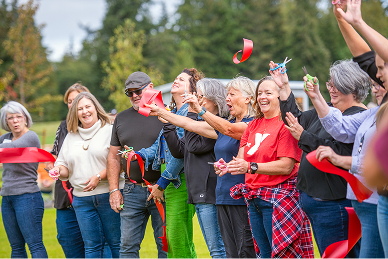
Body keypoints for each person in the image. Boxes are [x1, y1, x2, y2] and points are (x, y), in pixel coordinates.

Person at [308, 2, 388, 257]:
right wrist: (342, 19)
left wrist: (343, 160)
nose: (378, 75)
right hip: (368, 200)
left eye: (383, 68)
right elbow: (340, 128)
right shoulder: (375, 112)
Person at [147, 76, 256, 259]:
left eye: (232, 94)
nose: (227, 98)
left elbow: (225, 130)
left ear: (247, 98)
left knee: (242, 251)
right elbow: (189, 124)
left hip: (239, 197)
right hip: (222, 195)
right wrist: (162, 112)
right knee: (229, 253)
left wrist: (199, 109)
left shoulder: (245, 125)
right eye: (226, 94)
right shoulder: (221, 127)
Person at [271, 58, 368, 257]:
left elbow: (340, 152)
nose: (331, 89)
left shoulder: (358, 117)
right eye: (330, 84)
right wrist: (284, 87)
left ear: (353, 89)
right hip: (317, 203)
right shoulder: (327, 112)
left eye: (336, 86)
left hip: (335, 205)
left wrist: (304, 137)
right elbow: (294, 120)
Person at [218, 76, 313, 259]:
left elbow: (286, 166)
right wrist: (229, 167)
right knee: (264, 254)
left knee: (283, 255)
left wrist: (250, 167)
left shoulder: (286, 125)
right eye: (260, 93)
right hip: (254, 199)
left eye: (268, 93)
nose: (262, 97)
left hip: (278, 199)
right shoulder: (252, 125)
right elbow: (242, 160)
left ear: (280, 97)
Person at [129, 68, 203, 259]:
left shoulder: (189, 114)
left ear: (192, 90)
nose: (176, 80)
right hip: (170, 181)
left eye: (182, 79)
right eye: (176, 77)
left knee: (178, 237)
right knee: (173, 237)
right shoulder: (173, 112)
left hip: (179, 181)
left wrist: (161, 183)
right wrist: (137, 154)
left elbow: (180, 154)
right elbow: (159, 147)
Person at [49, 92, 123, 259]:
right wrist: (58, 171)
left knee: (116, 243)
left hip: (108, 195)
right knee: (91, 247)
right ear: (75, 113)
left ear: (96, 108)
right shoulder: (71, 136)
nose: (84, 111)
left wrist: (98, 176)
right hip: (82, 200)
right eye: (80, 109)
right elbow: (64, 166)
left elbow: (119, 162)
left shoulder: (110, 131)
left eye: (88, 107)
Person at [161, 78, 228, 258]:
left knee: (218, 249)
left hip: (209, 192)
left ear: (215, 99)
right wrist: (168, 126)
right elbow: (180, 151)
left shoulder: (217, 123)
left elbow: (194, 146)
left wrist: (190, 113)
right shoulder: (199, 123)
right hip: (198, 192)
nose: (198, 100)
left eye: (201, 96)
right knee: (216, 249)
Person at [107, 71, 167, 259]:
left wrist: (164, 184)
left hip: (162, 189)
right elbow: (113, 156)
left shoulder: (165, 115)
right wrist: (114, 190)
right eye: (129, 93)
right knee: (127, 246)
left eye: (137, 91)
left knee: (165, 243)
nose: (134, 96)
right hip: (132, 190)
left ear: (150, 88)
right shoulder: (121, 118)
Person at [46, 83, 90, 259]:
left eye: (76, 100)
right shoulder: (63, 126)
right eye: (69, 101)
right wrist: (52, 165)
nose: (72, 104)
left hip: (89, 194)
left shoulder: (100, 126)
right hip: (65, 196)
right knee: (68, 240)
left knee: (94, 245)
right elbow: (55, 155)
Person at [0, 101, 48, 259]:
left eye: (18, 117)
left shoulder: (30, 137)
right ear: (5, 121)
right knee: (16, 248)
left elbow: (9, 152)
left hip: (27, 197)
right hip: (7, 198)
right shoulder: (5, 138)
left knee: (35, 245)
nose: (15, 121)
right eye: (10, 118)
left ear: (25, 118)